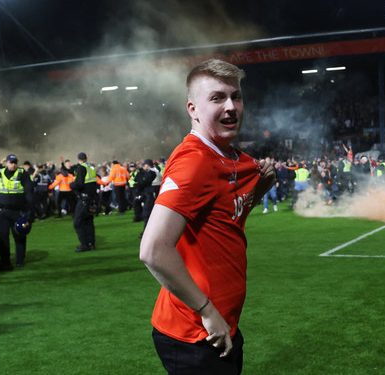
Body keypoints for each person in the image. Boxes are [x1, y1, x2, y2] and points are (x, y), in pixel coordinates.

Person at [140, 59, 275, 374]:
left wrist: (258, 192)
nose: (231, 106)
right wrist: (206, 310)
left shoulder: (234, 159)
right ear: (193, 109)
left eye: (236, 96)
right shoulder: (194, 162)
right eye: (217, 98)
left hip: (221, 322)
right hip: (194, 332)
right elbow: (152, 250)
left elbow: (224, 221)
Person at [0, 154, 34, 269]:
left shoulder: (22, 173)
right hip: (3, 211)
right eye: (11, 162)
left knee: (20, 235)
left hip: (18, 211)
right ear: (6, 162)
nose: (13, 164)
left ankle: (20, 260)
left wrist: (29, 212)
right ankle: (5, 261)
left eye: (15, 162)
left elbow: (29, 193)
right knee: (1, 237)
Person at [71, 152, 98, 252]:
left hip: (84, 199)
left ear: (78, 159)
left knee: (78, 222)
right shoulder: (91, 167)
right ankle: (91, 243)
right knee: (88, 221)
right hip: (92, 198)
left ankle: (84, 244)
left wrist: (72, 185)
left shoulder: (81, 168)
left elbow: (79, 184)